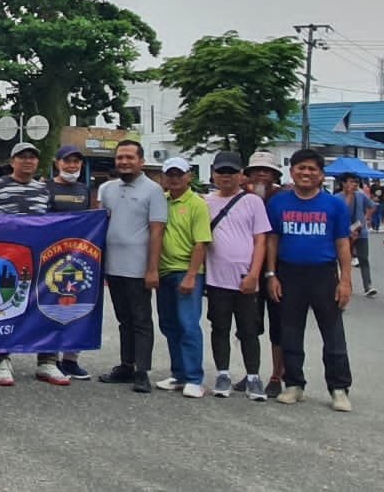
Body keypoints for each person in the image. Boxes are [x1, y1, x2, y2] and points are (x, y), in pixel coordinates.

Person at [265, 149, 354, 412]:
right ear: (292, 172)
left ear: (321, 175)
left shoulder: (334, 205)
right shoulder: (278, 203)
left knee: (334, 334)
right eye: (300, 168)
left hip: (324, 274)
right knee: (290, 332)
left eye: (312, 169)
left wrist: (345, 280)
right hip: (289, 273)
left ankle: (339, 389)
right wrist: (271, 275)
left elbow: (342, 244)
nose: (306, 173)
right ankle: (294, 385)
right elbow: (272, 240)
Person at [0, 142, 57, 387]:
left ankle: (48, 360)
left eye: (32, 157)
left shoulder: (45, 190)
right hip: (6, 258)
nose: (27, 161)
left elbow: (56, 223)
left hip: (40, 259)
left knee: (45, 305)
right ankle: (2, 360)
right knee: (2, 306)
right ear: (12, 161)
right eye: (22, 157)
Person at [96, 140, 167, 394]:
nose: (124, 162)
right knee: (123, 319)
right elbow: (99, 224)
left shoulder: (153, 190)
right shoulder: (107, 189)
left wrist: (152, 269)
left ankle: (142, 370)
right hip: (113, 267)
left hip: (139, 268)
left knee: (141, 320)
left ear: (141, 161)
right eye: (120, 158)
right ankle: (126, 365)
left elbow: (157, 231)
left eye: (129, 157)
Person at [202, 152, 269, 401]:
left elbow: (260, 240)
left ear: (241, 174)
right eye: (221, 172)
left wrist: (255, 274)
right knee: (219, 327)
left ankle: (253, 376)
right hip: (216, 278)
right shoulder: (206, 202)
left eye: (231, 172)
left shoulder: (253, 202)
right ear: (213, 174)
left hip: (245, 278)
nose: (226, 177)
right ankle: (223, 373)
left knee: (249, 330)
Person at [153, 158, 210, 398]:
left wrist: (190, 275)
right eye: (170, 174)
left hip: (186, 272)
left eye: (179, 174)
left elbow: (201, 242)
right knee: (169, 324)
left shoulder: (197, 204)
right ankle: (179, 374)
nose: (174, 178)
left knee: (188, 325)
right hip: (164, 271)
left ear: (189, 176)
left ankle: (194, 378)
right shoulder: (161, 201)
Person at [44, 144, 94, 380]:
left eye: (76, 162)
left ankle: (71, 359)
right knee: (50, 307)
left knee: (76, 307)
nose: (71, 166)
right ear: (57, 163)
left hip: (78, 259)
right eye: (67, 161)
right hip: (50, 258)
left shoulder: (85, 190)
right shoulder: (45, 187)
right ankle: (49, 358)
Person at [244, 150, 288, 398]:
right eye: (257, 169)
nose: (261, 173)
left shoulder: (283, 198)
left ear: (274, 174)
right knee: (249, 324)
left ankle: (276, 375)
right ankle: (252, 372)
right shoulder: (243, 196)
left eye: (266, 170)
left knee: (278, 325)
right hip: (248, 268)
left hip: (278, 269)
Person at [337, 174, 379, 298]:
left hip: (361, 231)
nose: (354, 184)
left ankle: (368, 286)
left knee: (363, 259)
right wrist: (349, 195)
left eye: (356, 182)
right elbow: (343, 211)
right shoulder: (337, 198)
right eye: (351, 182)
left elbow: (373, 206)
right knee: (345, 260)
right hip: (344, 234)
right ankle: (347, 284)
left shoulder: (361, 196)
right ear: (343, 183)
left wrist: (367, 217)